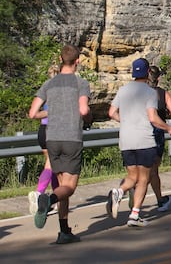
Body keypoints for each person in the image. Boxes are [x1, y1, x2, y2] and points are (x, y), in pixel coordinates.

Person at [27, 44, 92, 244]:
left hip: (52, 139)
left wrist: (53, 112)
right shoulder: (81, 83)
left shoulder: (49, 84)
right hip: (71, 138)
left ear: (60, 59)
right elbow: (83, 110)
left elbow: (33, 113)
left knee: (62, 186)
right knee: (69, 188)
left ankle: (64, 231)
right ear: (78, 61)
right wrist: (88, 116)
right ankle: (48, 201)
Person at [106, 58, 171, 227]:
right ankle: (135, 214)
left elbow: (111, 112)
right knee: (144, 178)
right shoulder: (149, 93)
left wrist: (126, 121)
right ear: (147, 73)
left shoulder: (123, 90)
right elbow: (153, 118)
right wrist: (168, 128)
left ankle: (119, 191)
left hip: (126, 139)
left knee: (132, 176)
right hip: (144, 140)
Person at [28, 64, 62, 216]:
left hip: (42, 130)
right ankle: (39, 194)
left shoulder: (45, 89)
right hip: (53, 130)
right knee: (51, 165)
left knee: (52, 166)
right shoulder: (60, 90)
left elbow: (35, 111)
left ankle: (55, 200)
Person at [147, 65, 171, 211]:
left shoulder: (140, 93)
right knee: (153, 169)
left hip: (140, 131)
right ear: (159, 78)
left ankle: (131, 189)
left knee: (141, 168)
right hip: (157, 132)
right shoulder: (162, 94)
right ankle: (159, 200)